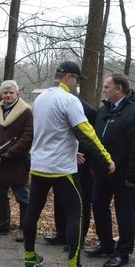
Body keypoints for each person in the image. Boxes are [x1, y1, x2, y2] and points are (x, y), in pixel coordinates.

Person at [23, 61, 114, 267]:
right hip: (62, 169)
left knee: (32, 212)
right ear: (69, 78)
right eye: (77, 80)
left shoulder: (40, 99)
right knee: (76, 214)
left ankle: (29, 258)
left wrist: (71, 150)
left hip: (39, 166)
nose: (77, 85)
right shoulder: (69, 100)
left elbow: (47, 132)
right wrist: (106, 158)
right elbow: (87, 133)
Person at [87, 74, 135, 267]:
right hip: (102, 172)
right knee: (98, 206)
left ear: (119, 89)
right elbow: (95, 139)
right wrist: (93, 164)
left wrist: (133, 176)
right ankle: (106, 244)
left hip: (123, 174)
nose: (104, 89)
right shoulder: (104, 109)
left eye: (107, 86)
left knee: (124, 213)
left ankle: (123, 252)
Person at [44, 95, 97, 247]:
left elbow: (90, 137)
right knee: (60, 198)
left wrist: (83, 156)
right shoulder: (55, 107)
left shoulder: (87, 110)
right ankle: (61, 233)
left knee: (80, 201)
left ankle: (77, 238)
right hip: (61, 160)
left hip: (81, 162)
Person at [0, 80, 33, 241]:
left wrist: (9, 153)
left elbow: (27, 136)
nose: (8, 95)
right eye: (5, 92)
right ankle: (3, 224)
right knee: (0, 194)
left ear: (17, 94)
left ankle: (25, 228)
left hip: (16, 162)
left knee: (22, 196)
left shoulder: (25, 112)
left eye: (11, 92)